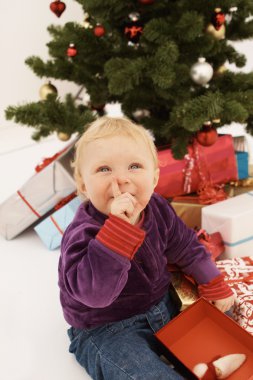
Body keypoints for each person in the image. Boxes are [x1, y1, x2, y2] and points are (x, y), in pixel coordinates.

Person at [58, 116, 235, 380]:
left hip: (163, 304)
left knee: (226, 316)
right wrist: (117, 230)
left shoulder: (158, 208)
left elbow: (185, 245)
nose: (121, 179)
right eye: (104, 169)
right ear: (83, 185)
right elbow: (96, 295)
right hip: (108, 328)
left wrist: (212, 281)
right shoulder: (82, 233)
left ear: (154, 178)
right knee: (143, 373)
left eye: (134, 166)